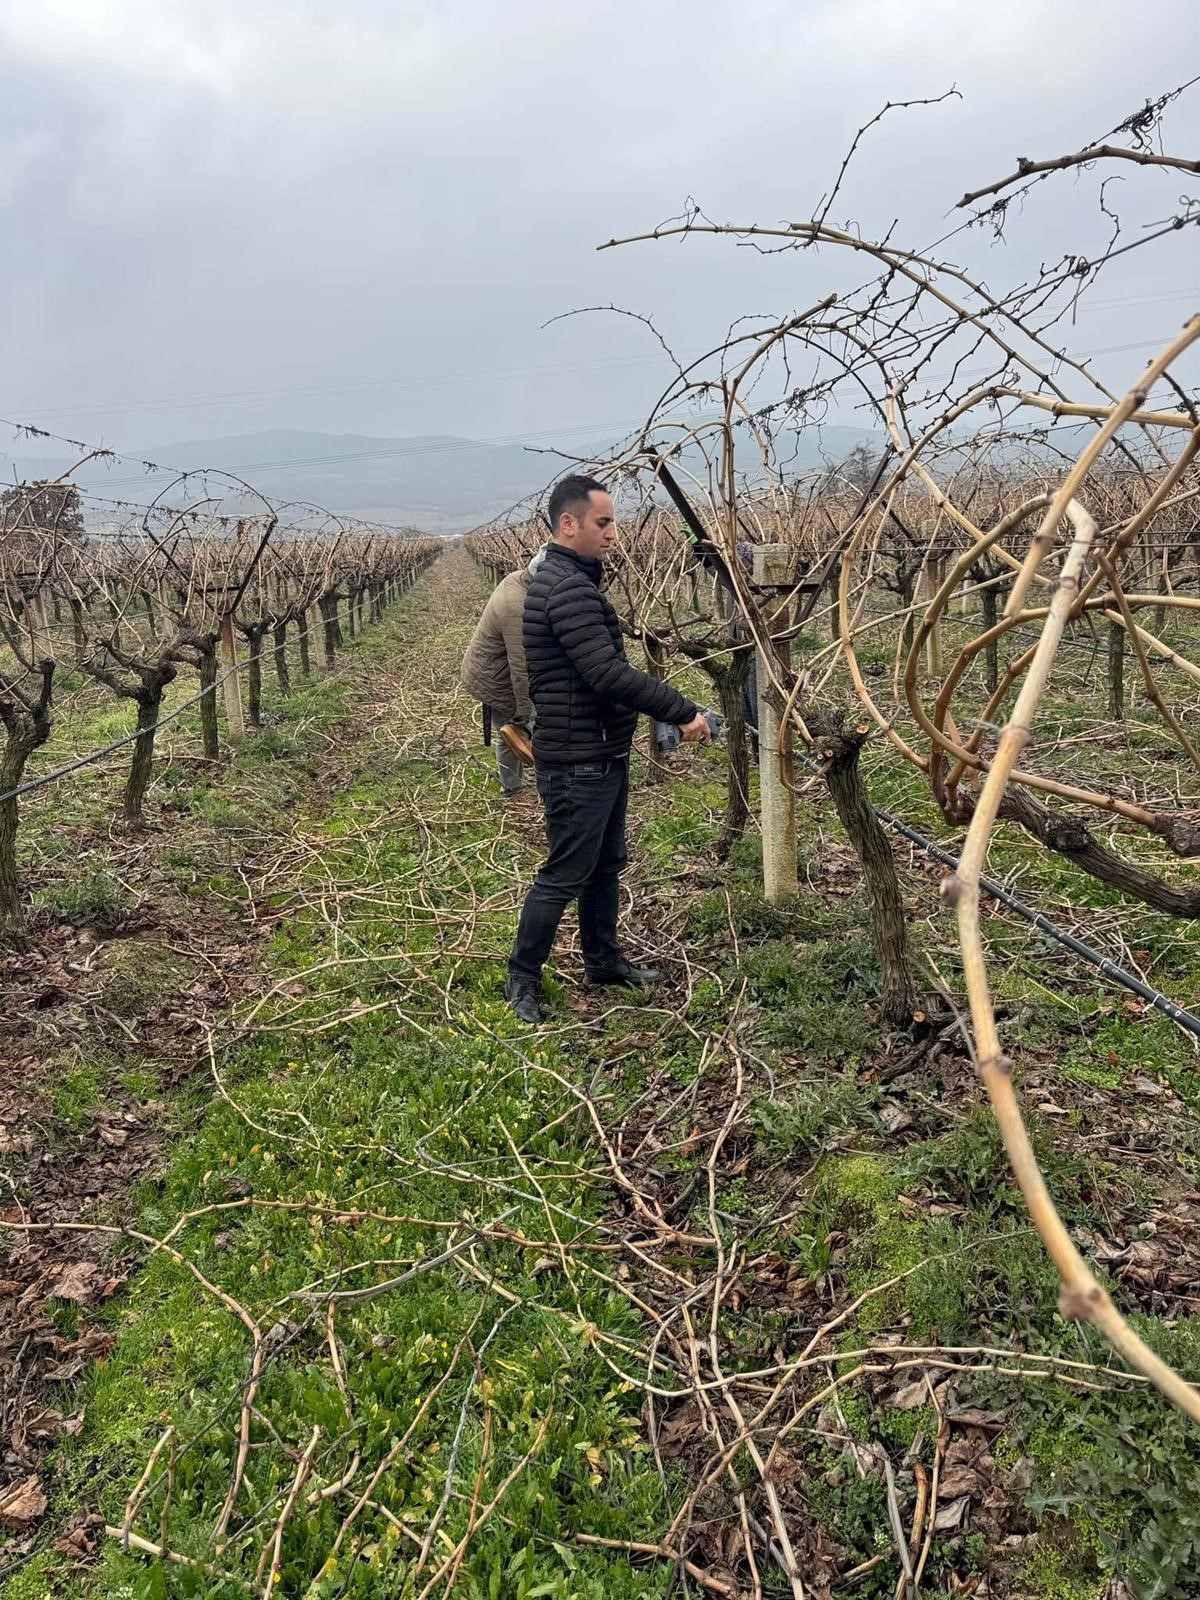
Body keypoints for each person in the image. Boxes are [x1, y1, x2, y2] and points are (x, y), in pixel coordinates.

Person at [504, 475, 710, 1024]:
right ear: (568, 524)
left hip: (597, 750)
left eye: (613, 522)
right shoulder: (568, 588)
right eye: (604, 522)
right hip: (578, 759)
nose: (614, 534)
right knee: (567, 871)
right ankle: (521, 979)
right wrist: (682, 710)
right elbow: (605, 672)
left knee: (604, 865)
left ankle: (602, 960)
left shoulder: (566, 579)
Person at [461, 546, 547, 797]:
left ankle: (520, 783)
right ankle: (512, 790)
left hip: (492, 666)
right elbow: (520, 669)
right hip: (494, 677)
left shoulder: (518, 579)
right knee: (513, 729)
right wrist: (524, 713)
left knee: (521, 726)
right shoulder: (516, 608)